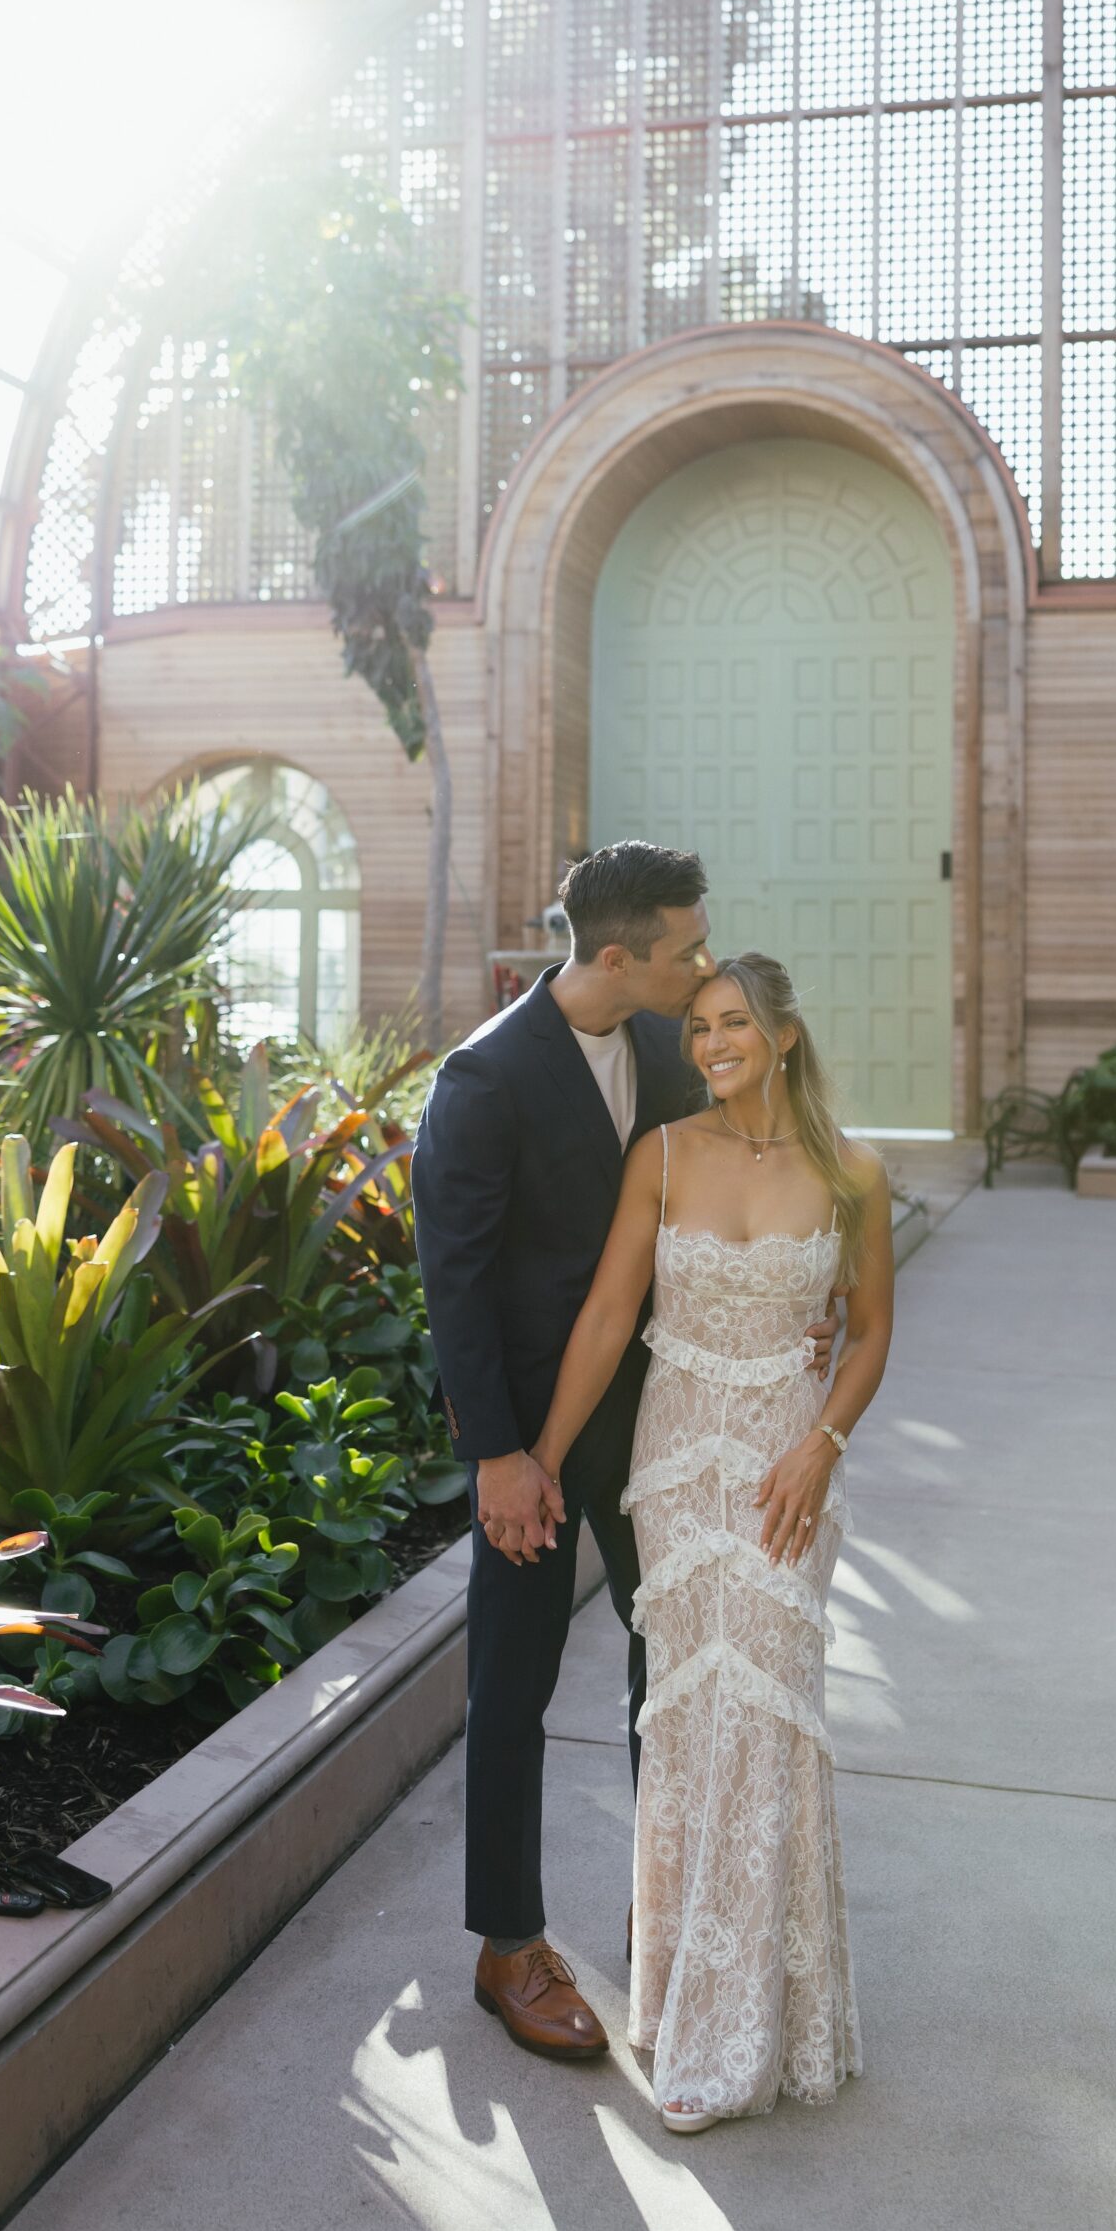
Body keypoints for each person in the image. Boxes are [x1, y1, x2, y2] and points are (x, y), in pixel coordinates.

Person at [412, 848, 836, 2060]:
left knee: (681, 1678)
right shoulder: (482, 1079)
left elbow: (751, 1187)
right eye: (684, 951)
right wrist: (499, 1452)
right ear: (614, 956)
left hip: (669, 1428)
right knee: (513, 1685)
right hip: (535, 1448)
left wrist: (799, 1301)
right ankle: (508, 1946)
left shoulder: (667, 1048)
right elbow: (455, 1283)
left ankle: (677, 1925)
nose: (703, 969)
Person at [531, 951, 893, 2129]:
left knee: (771, 1707)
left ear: (783, 1035)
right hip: (676, 1458)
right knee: (690, 1716)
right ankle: (690, 2002)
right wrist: (538, 1457)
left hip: (787, 1464)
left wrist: (820, 1444)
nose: (710, 1042)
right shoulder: (665, 1154)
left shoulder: (852, 1172)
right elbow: (605, 1314)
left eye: (732, 1023)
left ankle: (751, 2029)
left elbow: (871, 1336)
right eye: (695, 1026)